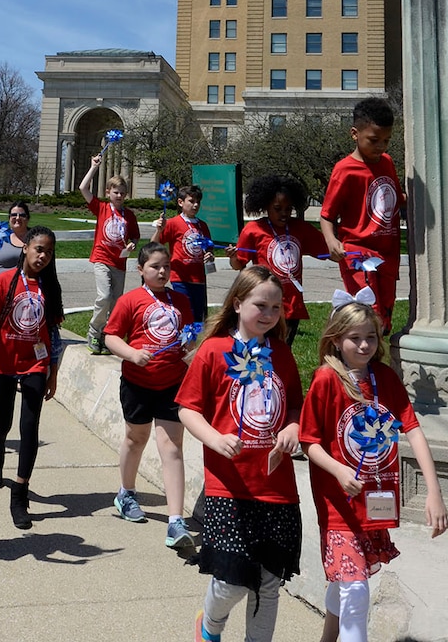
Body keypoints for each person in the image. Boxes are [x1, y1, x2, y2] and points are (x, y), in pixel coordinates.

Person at [299, 293, 448, 642]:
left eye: (371, 337)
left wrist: (434, 492)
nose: (364, 345)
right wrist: (338, 470)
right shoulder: (326, 379)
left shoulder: (385, 377)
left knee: (348, 580)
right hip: (338, 506)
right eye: (355, 338)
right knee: (356, 591)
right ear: (336, 339)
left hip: (374, 502)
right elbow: (310, 443)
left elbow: (412, 429)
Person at [176, 265, 303, 642]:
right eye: (261, 305)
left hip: (276, 488)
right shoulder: (214, 352)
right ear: (236, 303)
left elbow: (295, 404)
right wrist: (214, 439)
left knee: (268, 583)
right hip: (228, 487)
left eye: (277, 308)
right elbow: (187, 408)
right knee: (232, 581)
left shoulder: (281, 354)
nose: (269, 314)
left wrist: (293, 426)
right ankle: (210, 625)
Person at [103, 241, 196, 550]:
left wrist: (190, 349)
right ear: (140, 269)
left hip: (173, 385)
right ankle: (126, 492)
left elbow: (188, 337)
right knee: (136, 439)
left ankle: (175, 522)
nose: (162, 271)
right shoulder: (131, 300)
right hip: (137, 384)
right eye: (155, 266)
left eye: (166, 266)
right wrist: (131, 353)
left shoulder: (181, 301)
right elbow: (111, 336)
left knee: (172, 448)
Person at [0, 224, 64, 529]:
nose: (43, 256)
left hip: (36, 364)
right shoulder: (4, 280)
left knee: (29, 427)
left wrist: (53, 373)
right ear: (26, 248)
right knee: (3, 422)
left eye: (49, 251)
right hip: (5, 362)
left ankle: (19, 494)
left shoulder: (50, 287)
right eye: (39, 249)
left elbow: (55, 337)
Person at [320, 98, 404, 333]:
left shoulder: (387, 162)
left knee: (385, 318)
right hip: (357, 252)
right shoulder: (345, 169)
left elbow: (396, 198)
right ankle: (352, 359)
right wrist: (331, 240)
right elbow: (327, 215)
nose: (381, 147)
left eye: (386, 140)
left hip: (388, 253)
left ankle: (376, 364)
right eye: (374, 140)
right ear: (355, 134)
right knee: (368, 311)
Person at [230, 175, 328, 345]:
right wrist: (233, 257)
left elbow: (327, 250)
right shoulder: (253, 230)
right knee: (262, 349)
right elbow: (239, 264)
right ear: (266, 205)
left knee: (283, 350)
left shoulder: (300, 228)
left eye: (288, 209)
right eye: (278, 208)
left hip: (292, 305)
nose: (284, 213)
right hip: (265, 303)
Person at [79, 155, 140, 355]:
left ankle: (107, 336)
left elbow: (135, 237)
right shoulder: (102, 208)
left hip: (119, 263)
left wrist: (132, 244)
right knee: (104, 296)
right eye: (116, 192)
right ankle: (94, 331)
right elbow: (83, 188)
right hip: (101, 258)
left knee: (115, 302)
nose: (119, 196)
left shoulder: (129, 216)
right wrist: (93, 167)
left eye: (123, 193)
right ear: (108, 192)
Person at [154, 183, 213, 323]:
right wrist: (159, 231)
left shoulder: (202, 225)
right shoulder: (173, 223)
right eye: (191, 201)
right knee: (185, 315)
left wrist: (210, 256)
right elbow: (154, 244)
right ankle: (181, 343)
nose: (195, 205)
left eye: (198, 202)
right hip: (180, 278)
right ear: (180, 202)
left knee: (199, 317)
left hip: (199, 279)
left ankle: (195, 343)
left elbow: (209, 249)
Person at [0, 201, 31, 272]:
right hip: (0, 282)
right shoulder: (0, 237)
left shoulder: (35, 239)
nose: (17, 218)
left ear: (27, 218)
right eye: (14, 215)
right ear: (9, 218)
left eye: (22, 215)